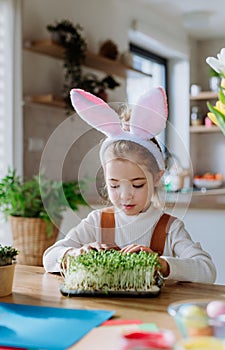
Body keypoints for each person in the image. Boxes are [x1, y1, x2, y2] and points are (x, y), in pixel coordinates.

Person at [43, 87, 216, 283]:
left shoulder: (170, 228)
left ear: (157, 177)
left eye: (137, 185)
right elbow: (49, 257)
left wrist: (163, 264)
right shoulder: (97, 222)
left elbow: (207, 270)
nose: (125, 195)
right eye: (115, 186)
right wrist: (72, 254)